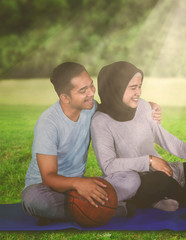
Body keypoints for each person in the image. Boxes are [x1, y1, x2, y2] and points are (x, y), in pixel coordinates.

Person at [21, 62, 162, 224]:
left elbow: (116, 107)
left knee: (130, 179)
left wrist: (149, 106)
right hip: (44, 187)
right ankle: (113, 210)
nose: (91, 93)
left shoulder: (91, 108)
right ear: (65, 97)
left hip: (79, 188)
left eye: (91, 85)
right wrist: (78, 183)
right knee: (37, 202)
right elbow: (48, 177)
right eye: (83, 90)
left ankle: (72, 210)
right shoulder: (48, 124)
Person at [90, 61, 186, 212]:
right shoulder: (100, 122)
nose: (138, 93)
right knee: (161, 181)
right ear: (116, 88)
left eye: (140, 87)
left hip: (166, 172)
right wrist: (149, 161)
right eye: (133, 88)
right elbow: (108, 166)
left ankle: (163, 199)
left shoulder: (143, 106)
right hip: (139, 180)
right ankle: (169, 198)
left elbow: (168, 141)